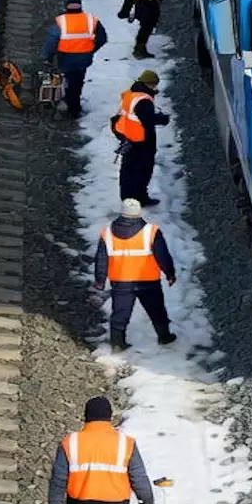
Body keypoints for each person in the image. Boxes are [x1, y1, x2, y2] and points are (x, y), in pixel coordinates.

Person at [94, 198, 177, 352]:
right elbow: (163, 256)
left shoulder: (107, 233)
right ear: (139, 212)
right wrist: (170, 274)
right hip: (148, 280)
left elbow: (101, 259)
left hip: (121, 280)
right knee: (157, 310)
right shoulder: (151, 232)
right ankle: (164, 337)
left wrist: (100, 280)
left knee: (120, 313)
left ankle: (118, 344)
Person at [41, 0, 108, 119]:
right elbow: (102, 38)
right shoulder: (91, 20)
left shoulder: (61, 21)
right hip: (83, 59)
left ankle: (63, 101)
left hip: (65, 57)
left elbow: (52, 41)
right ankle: (74, 106)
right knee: (77, 82)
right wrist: (91, 49)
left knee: (64, 78)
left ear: (66, 7)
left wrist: (47, 57)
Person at [111, 69, 169, 206]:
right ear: (150, 84)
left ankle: (127, 197)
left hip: (128, 138)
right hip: (141, 141)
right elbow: (147, 120)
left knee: (128, 170)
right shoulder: (144, 100)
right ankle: (139, 198)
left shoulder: (131, 94)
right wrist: (163, 119)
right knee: (142, 170)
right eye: (154, 85)